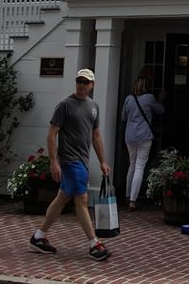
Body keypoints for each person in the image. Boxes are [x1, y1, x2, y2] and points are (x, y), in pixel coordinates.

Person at [29, 69, 112, 261]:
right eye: (79, 81)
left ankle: (38, 236)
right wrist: (54, 162)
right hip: (69, 160)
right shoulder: (65, 105)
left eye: (86, 82)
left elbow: (96, 135)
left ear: (92, 85)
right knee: (81, 199)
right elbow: (52, 134)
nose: (82, 85)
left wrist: (102, 161)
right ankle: (94, 244)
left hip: (82, 160)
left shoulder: (93, 107)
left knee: (61, 198)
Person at [121, 76, 165, 210]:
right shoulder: (150, 98)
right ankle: (133, 201)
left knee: (132, 165)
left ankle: (128, 196)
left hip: (130, 136)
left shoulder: (128, 99)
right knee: (139, 167)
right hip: (144, 135)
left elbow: (123, 117)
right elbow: (161, 110)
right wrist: (161, 99)